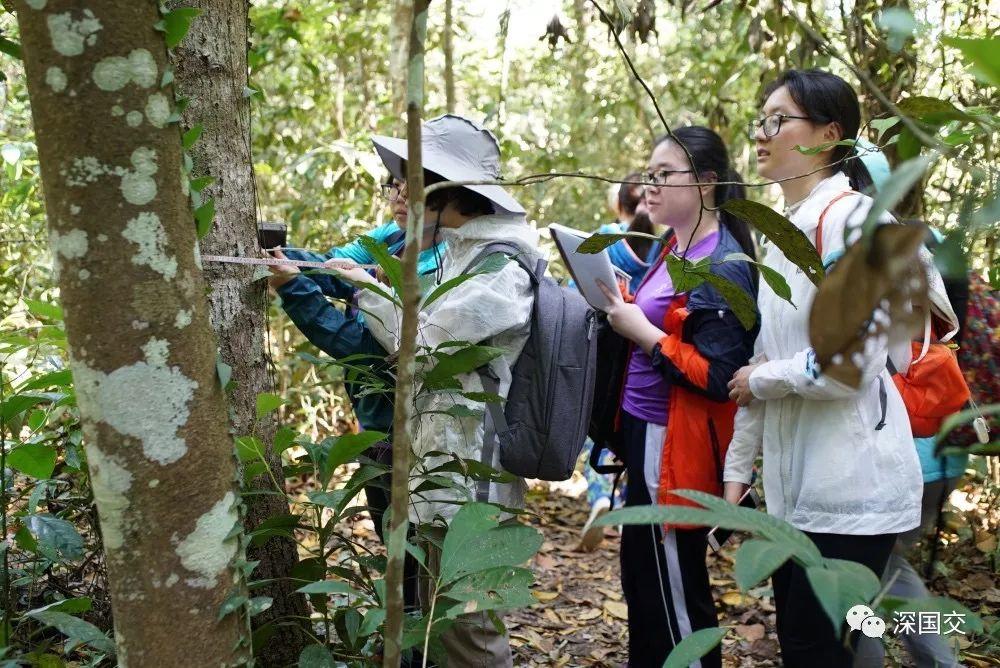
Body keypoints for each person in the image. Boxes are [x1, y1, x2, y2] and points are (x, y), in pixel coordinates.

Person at [723, 68, 956, 668]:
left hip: (853, 487)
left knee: (819, 645)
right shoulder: (781, 236)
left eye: (781, 120)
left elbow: (849, 364)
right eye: (762, 120)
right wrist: (738, 469)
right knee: (828, 642)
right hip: (798, 488)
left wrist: (762, 381)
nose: (763, 133)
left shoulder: (854, 221)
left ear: (830, 134)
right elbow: (765, 358)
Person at [337, 114, 540, 667]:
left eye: (411, 181)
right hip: (440, 464)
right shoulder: (464, 250)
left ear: (445, 190)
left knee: (467, 626)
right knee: (434, 622)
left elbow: (425, 340)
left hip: (474, 478)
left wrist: (364, 289)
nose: (400, 194)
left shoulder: (503, 263)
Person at [596, 126, 758, 667]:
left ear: (708, 182)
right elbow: (664, 321)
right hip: (644, 431)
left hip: (676, 444)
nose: (651, 188)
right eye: (649, 176)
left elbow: (719, 376)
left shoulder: (724, 263)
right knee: (642, 579)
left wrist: (641, 331)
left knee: (674, 592)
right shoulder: (674, 243)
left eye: (665, 176)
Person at [267, 176, 444, 543]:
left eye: (412, 192)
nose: (399, 199)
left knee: (415, 538)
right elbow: (338, 268)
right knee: (388, 528)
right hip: (375, 421)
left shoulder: (440, 265)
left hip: (417, 427)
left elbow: (368, 349)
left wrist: (294, 288)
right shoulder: (390, 238)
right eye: (395, 187)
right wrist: (284, 257)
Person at [579, 175, 654, 551]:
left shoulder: (607, 237)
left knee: (597, 433)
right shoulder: (661, 246)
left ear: (617, 203)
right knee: (627, 433)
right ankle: (626, 509)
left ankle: (600, 498)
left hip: (606, 351)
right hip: (644, 352)